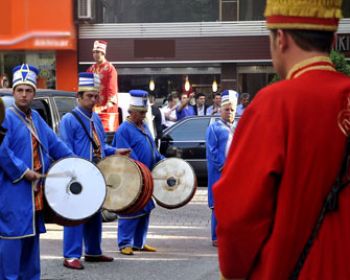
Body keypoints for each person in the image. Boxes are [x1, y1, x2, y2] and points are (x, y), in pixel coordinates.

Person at [213, 1, 350, 279]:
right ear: (333, 40)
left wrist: (236, 269)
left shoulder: (274, 104)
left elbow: (239, 213)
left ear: (280, 38)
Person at [0, 64, 73, 280]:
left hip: (35, 193)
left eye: (28, 90)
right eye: (20, 90)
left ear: (34, 93)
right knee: (12, 239)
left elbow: (55, 143)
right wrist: (23, 171)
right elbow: (1, 150)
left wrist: (75, 163)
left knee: (31, 238)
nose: (24, 95)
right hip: (12, 190)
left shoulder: (36, 118)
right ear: (13, 92)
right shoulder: (5, 117)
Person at [59, 72, 123, 269]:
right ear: (78, 97)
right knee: (75, 214)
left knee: (95, 213)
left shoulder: (95, 118)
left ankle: (93, 251)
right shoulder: (69, 119)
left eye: (96, 96)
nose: (93, 100)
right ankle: (70, 255)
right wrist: (74, 171)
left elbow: (100, 146)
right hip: (77, 175)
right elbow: (64, 149)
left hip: (96, 173)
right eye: (89, 96)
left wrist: (115, 151)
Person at [112, 89, 164, 256]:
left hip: (147, 177)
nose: (143, 116)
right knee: (130, 210)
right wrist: (139, 170)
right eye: (141, 113)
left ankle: (139, 242)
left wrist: (162, 160)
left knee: (145, 210)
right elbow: (126, 155)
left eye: (145, 112)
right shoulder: (123, 130)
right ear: (131, 112)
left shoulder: (145, 126)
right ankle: (124, 243)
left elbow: (152, 149)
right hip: (131, 177)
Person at [205, 90, 238, 247]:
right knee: (218, 205)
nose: (229, 112)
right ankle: (216, 236)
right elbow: (212, 151)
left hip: (234, 173)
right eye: (227, 109)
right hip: (219, 173)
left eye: (232, 110)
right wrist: (223, 166)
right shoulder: (214, 128)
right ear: (220, 110)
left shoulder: (237, 127)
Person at [87, 40, 119, 132]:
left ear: (103, 53)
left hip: (107, 114)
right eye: (94, 52)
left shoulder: (110, 69)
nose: (95, 54)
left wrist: (102, 108)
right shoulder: (90, 69)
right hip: (92, 111)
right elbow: (86, 90)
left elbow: (112, 93)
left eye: (97, 52)